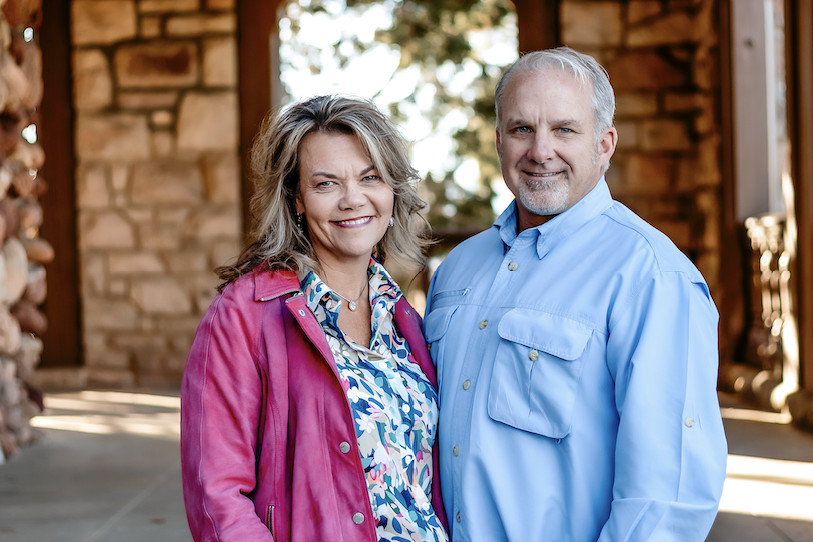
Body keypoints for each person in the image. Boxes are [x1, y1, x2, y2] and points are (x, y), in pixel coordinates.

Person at [424, 47, 727, 541]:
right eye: (522, 129)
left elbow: (666, 497)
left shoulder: (651, 275)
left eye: (565, 129)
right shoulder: (458, 267)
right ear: (499, 141)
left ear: (604, 144)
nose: (540, 151)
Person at [181, 95, 449, 542]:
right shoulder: (244, 314)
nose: (353, 199)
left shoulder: (403, 316)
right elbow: (217, 497)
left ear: (392, 190)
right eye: (327, 184)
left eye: (370, 177)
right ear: (297, 198)